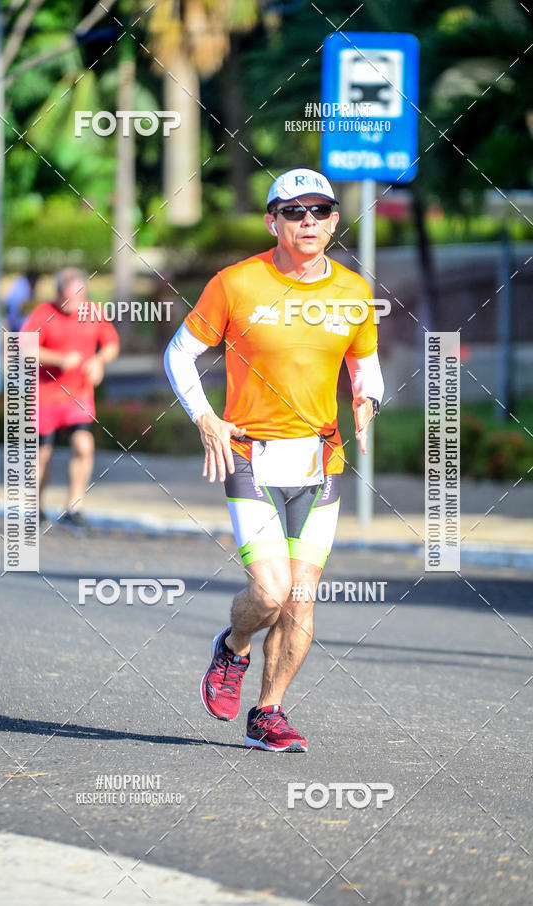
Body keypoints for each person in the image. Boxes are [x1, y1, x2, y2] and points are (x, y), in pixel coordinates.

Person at [164, 168, 384, 752]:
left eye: (320, 210)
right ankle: (231, 648)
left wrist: (369, 396)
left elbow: (364, 360)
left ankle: (269, 711)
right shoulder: (237, 283)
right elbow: (179, 353)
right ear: (273, 221)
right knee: (268, 593)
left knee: (302, 595)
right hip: (251, 457)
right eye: (294, 211)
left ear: (336, 220)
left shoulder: (355, 291)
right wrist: (205, 417)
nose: (308, 221)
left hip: (322, 461)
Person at [21, 267, 119, 528]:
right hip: (45, 396)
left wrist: (98, 361)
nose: (74, 304)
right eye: (68, 298)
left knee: (83, 445)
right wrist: (60, 360)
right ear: (57, 293)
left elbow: (111, 344)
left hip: (79, 394)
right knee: (42, 454)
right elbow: (24, 347)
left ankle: (74, 507)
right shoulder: (44, 313)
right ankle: (36, 507)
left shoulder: (94, 313)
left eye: (79, 297)